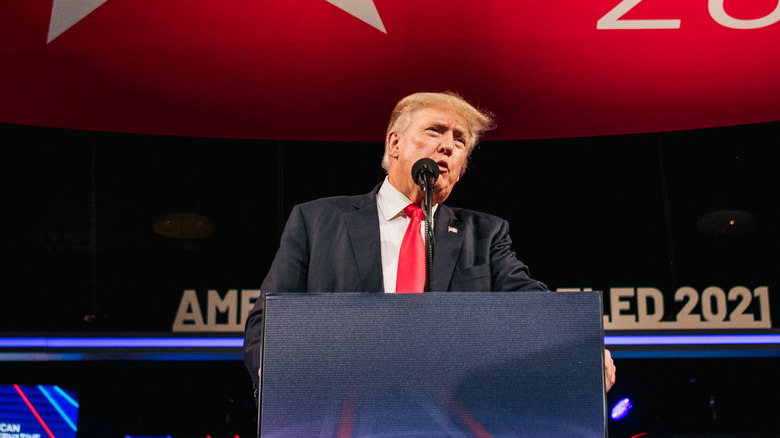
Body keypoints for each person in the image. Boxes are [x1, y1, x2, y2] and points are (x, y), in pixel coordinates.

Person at [243, 91, 616, 396]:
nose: (448, 147)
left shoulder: (485, 235)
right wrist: (280, 386)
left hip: (449, 413)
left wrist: (576, 342)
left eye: (460, 141)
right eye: (435, 131)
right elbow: (269, 320)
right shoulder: (317, 221)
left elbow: (528, 300)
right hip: (341, 409)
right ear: (394, 144)